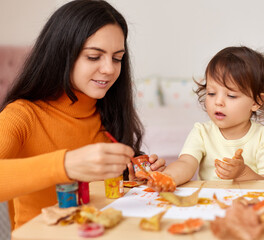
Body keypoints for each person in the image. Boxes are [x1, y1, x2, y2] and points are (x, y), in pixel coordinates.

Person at [0, 0, 165, 229]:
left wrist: (134, 182)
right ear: (61, 55)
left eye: (117, 58)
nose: (109, 69)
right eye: (94, 57)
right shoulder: (21, 116)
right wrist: (65, 165)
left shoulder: (110, 114)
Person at [152, 46, 264, 191]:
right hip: (211, 205)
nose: (218, 102)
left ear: (256, 102)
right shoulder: (201, 132)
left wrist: (243, 173)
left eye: (231, 95)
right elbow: (186, 163)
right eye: (211, 93)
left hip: (251, 204)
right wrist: (167, 177)